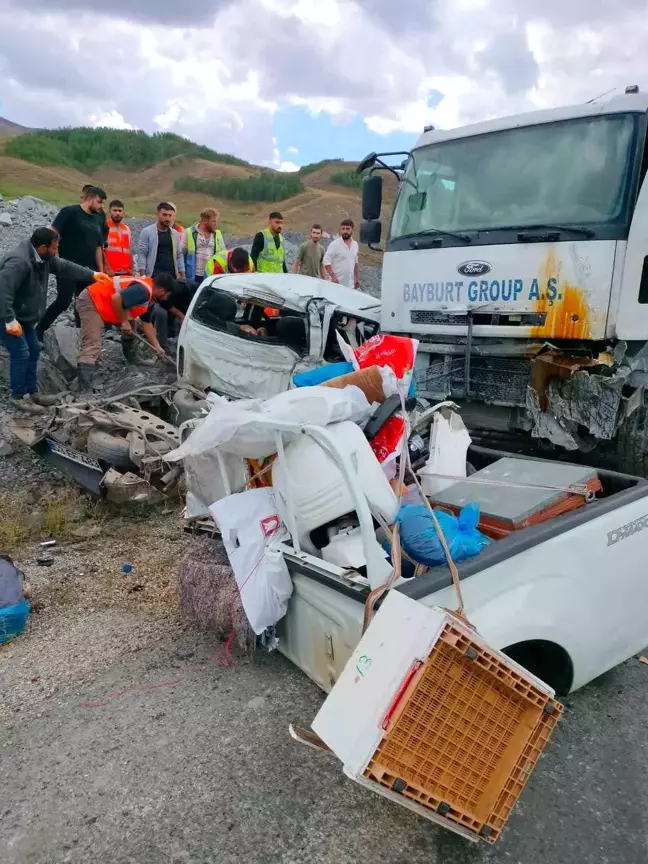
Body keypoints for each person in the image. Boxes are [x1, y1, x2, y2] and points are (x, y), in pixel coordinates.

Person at [0, 227, 106, 411]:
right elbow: (3, 291)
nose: (56, 252)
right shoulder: (19, 262)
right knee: (21, 352)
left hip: (23, 317)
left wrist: (92, 275)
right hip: (6, 315)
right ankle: (17, 397)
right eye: (54, 248)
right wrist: (9, 320)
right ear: (43, 247)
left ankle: (32, 393)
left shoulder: (44, 258)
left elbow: (65, 267)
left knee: (34, 348)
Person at [75, 273, 176, 391]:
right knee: (92, 343)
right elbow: (116, 298)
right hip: (92, 300)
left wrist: (157, 347)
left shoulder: (148, 296)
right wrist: (123, 322)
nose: (165, 299)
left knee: (131, 327)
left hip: (105, 301)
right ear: (162, 291)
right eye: (166, 296)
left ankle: (132, 359)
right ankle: (84, 390)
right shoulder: (143, 291)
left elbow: (147, 324)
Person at [37, 186, 108, 339]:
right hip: (67, 267)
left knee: (84, 303)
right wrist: (54, 259)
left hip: (89, 270)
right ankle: (39, 331)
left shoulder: (100, 217)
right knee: (63, 301)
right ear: (89, 198)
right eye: (100, 202)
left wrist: (100, 270)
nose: (102, 206)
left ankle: (81, 335)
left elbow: (98, 246)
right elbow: (52, 233)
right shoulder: (69, 212)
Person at [138, 202, 185, 280]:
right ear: (158, 214)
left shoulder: (175, 233)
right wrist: (143, 275)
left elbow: (179, 255)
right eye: (164, 215)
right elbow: (142, 254)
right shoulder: (147, 232)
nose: (167, 218)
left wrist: (182, 275)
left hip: (172, 276)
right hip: (154, 275)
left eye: (170, 215)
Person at [183, 208, 225, 281]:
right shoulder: (189, 232)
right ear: (205, 220)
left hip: (211, 276)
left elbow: (223, 254)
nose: (216, 224)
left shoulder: (218, 234)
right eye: (213, 221)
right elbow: (180, 253)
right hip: (194, 276)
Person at [323, 218, 360, 289]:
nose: (345, 231)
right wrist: (333, 276)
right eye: (343, 229)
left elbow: (355, 263)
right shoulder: (335, 244)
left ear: (352, 230)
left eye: (348, 229)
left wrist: (357, 279)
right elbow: (326, 261)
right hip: (335, 284)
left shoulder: (355, 245)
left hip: (350, 285)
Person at [105, 199, 135, 276]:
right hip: (110, 272)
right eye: (114, 210)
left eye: (120, 211)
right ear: (110, 212)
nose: (117, 213)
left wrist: (132, 269)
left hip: (125, 272)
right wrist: (107, 268)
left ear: (123, 213)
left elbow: (129, 251)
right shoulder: (104, 227)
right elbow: (100, 250)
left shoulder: (127, 229)